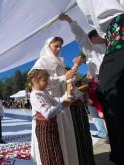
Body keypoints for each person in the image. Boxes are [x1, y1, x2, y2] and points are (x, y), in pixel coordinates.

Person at [59, 13, 118, 164]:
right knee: (110, 119)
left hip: (109, 83)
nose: (104, 36)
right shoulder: (95, 49)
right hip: (104, 85)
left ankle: (117, 152)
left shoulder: (108, 46)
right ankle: (117, 151)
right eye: (99, 35)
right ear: (94, 38)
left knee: (112, 119)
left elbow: (82, 37)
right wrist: (70, 20)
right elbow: (81, 36)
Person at [30, 37, 79, 165]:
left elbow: (66, 81)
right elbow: (35, 81)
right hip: (48, 104)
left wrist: (70, 84)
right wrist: (63, 77)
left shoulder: (61, 63)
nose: (58, 49)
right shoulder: (41, 62)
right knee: (50, 141)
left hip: (60, 101)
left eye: (60, 47)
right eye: (56, 46)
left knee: (64, 133)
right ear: (48, 46)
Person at [28, 69, 72, 165]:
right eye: (44, 80)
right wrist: (62, 105)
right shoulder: (34, 95)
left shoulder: (45, 92)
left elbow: (57, 100)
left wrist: (67, 96)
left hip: (51, 126)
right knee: (48, 154)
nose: (47, 83)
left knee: (56, 152)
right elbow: (47, 113)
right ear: (34, 80)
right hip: (44, 128)